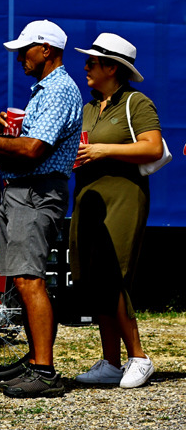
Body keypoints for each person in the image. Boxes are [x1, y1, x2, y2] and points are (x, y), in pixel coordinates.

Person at [0, 19, 82, 399]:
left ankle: (44, 371)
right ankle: (39, 366)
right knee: (27, 278)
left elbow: (36, 149)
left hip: (35, 192)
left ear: (46, 50)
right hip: (32, 190)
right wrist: (7, 134)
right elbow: (35, 142)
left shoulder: (57, 90)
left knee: (29, 279)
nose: (21, 57)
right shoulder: (51, 89)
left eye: (26, 49)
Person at [69, 34, 162, 389]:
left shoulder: (136, 103)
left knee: (112, 275)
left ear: (112, 67)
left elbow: (152, 147)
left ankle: (139, 356)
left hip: (123, 197)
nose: (86, 67)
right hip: (88, 197)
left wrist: (103, 151)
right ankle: (111, 362)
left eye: (92, 62)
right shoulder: (90, 107)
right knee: (94, 279)